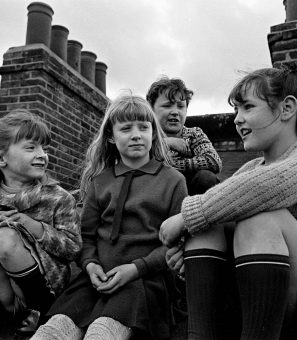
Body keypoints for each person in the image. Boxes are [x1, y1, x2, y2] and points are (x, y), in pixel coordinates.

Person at [159, 61, 297, 340]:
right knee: (209, 225)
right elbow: (224, 208)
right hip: (263, 296)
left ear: (286, 108)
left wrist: (186, 217)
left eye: (248, 107)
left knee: (258, 219)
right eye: (235, 110)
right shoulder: (249, 170)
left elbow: (268, 186)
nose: (237, 119)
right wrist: (188, 251)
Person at [32, 94, 188, 340]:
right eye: (126, 129)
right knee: (52, 332)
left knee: (101, 333)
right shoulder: (100, 181)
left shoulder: (173, 181)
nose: (136, 134)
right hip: (95, 280)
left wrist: (137, 269)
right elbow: (87, 237)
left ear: (154, 133)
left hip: (142, 282)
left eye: (144, 128)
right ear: (111, 137)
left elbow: (173, 245)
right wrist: (90, 264)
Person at [0, 109, 82, 335]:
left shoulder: (57, 197)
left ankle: (40, 311)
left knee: (5, 238)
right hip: (4, 285)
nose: (42, 155)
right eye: (31, 147)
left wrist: (34, 227)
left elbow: (73, 248)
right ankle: (12, 314)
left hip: (45, 283)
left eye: (44, 148)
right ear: (1, 158)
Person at [146, 76, 222, 195]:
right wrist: (165, 143)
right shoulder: (146, 137)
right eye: (167, 105)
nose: (175, 112)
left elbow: (213, 161)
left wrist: (173, 166)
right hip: (157, 195)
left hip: (189, 195)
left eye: (181, 106)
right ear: (151, 109)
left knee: (206, 177)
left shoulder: (194, 134)